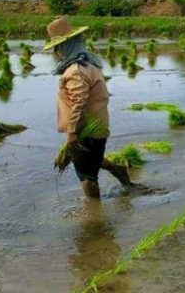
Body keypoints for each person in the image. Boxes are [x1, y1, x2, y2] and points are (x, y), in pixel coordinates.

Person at [45, 17, 134, 199]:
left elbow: (79, 102)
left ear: (66, 46)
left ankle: (95, 215)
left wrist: (71, 132)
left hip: (85, 127)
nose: (56, 52)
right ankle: (118, 170)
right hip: (96, 124)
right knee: (93, 159)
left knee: (86, 176)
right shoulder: (88, 63)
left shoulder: (75, 70)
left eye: (57, 47)